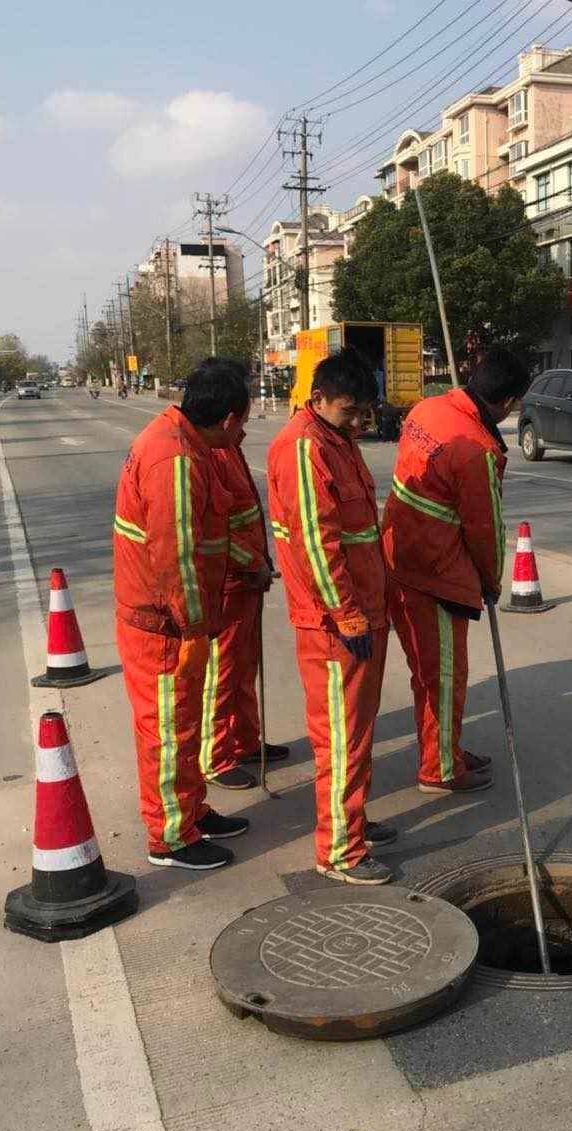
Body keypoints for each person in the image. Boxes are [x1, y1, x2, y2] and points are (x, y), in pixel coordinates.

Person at [113, 362, 250, 870]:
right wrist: (197, 627)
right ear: (230, 417)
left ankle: (191, 809)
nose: (242, 434)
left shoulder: (184, 439)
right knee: (168, 732)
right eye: (243, 424)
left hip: (171, 619)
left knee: (184, 725)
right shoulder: (174, 459)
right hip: (164, 626)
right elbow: (176, 558)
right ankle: (171, 836)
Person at [267, 348, 395, 885]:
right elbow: (317, 545)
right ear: (317, 399)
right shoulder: (304, 447)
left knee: (357, 731)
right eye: (350, 412)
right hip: (336, 623)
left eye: (366, 412)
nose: (361, 423)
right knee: (341, 736)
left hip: (364, 609)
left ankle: (353, 820)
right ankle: (341, 849)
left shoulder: (337, 440)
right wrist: (346, 616)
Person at [382, 344, 530, 794]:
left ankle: (447, 746)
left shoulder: (428, 408)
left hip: (398, 556)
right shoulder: (478, 450)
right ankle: (440, 768)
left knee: (430, 673)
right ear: (507, 403)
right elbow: (484, 529)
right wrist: (489, 581)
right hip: (437, 575)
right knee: (444, 677)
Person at [199, 360, 289, 791]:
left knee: (244, 666)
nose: (245, 428)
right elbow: (213, 529)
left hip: (248, 577)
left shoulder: (227, 445)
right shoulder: (210, 452)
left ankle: (245, 740)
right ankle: (215, 755)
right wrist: (250, 563)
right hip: (230, 581)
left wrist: (260, 562)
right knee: (224, 671)